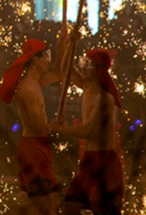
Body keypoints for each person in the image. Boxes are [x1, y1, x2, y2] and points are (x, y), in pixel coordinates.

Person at [0, 38, 64, 215]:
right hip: (33, 149)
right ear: (35, 60)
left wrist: (64, 45)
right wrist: (56, 126)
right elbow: (40, 128)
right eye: (46, 56)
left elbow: (58, 73)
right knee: (46, 204)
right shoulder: (27, 89)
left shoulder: (35, 82)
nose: (49, 60)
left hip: (38, 146)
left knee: (48, 203)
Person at [51, 48, 123, 215]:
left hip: (104, 164)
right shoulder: (88, 87)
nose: (83, 68)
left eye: (88, 65)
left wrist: (60, 128)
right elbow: (65, 71)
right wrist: (69, 45)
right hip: (90, 161)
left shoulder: (104, 98)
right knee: (70, 207)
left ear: (99, 70)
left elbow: (88, 131)